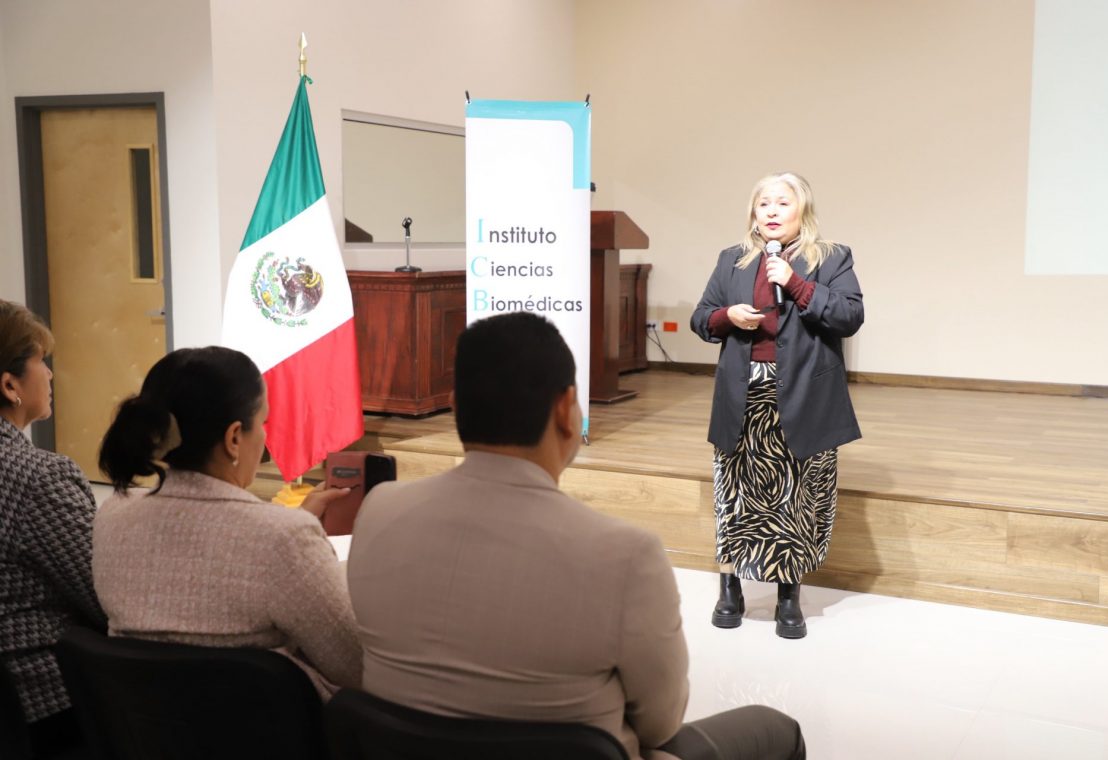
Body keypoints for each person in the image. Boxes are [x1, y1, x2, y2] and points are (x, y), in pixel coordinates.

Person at [349, 312, 805, 760]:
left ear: (455, 407)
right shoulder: (626, 555)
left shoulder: (378, 511)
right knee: (776, 729)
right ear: (566, 410)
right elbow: (660, 724)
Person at [93, 346, 361, 699]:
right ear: (234, 438)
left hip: (145, 727)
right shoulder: (284, 539)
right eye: (262, 423)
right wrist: (294, 535)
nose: (264, 438)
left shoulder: (112, 516)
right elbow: (356, 666)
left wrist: (292, 524)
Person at [691, 172, 863, 639]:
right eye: (763, 203)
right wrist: (727, 316)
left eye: (782, 202)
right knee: (735, 492)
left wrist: (797, 284)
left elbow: (850, 316)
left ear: (801, 209)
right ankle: (730, 589)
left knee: (795, 495)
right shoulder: (732, 259)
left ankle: (789, 595)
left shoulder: (831, 256)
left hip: (804, 392)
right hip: (743, 392)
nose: (771, 210)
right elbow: (701, 318)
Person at [0, 300, 107, 757]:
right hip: (43, 702)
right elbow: (106, 597)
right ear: (10, 385)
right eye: (42, 361)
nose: (49, 374)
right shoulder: (39, 477)